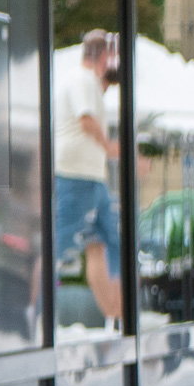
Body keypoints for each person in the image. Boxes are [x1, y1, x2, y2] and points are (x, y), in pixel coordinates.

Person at [53, 30, 122, 328]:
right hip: (76, 176)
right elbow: (86, 120)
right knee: (58, 244)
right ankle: (30, 313)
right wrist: (110, 149)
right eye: (111, 57)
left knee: (104, 245)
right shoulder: (81, 79)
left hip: (91, 178)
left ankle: (117, 317)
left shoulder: (88, 82)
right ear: (103, 56)